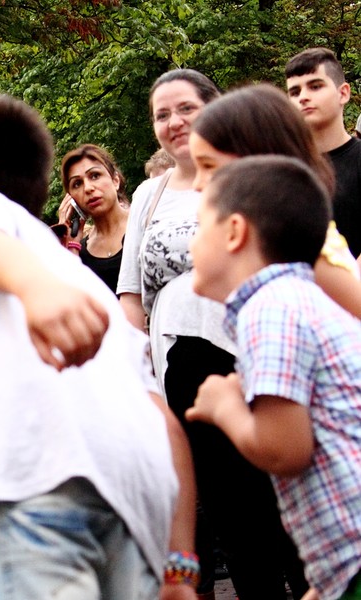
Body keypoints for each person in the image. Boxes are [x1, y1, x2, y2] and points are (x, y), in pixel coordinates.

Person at [0, 92, 201, 599]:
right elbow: (166, 424)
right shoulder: (94, 290)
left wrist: (36, 290)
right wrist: (181, 566)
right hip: (139, 509)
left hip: (35, 493)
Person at [118, 69, 307, 600]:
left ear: (214, 108)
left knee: (287, 501)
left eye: (185, 108)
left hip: (255, 355)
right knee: (233, 512)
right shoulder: (149, 196)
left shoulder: (254, 177)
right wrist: (141, 377)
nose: (174, 122)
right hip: (180, 366)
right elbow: (131, 294)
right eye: (162, 114)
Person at [186, 155, 361, 600]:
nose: (189, 246)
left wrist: (224, 407)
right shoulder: (299, 298)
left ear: (234, 232)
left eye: (198, 227)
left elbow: (286, 449)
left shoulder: (269, 309)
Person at [190, 83, 361, 319]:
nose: (197, 184)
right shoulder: (265, 235)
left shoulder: (305, 246)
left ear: (257, 159)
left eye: (208, 166)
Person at [286, 47, 361, 257]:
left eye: (315, 86)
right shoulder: (282, 168)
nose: (303, 97)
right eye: (295, 92)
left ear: (343, 93)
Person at [58, 144, 130, 292]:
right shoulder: (79, 251)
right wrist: (68, 244)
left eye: (95, 176)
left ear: (115, 180)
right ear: (71, 199)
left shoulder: (145, 225)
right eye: (77, 183)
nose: (88, 188)